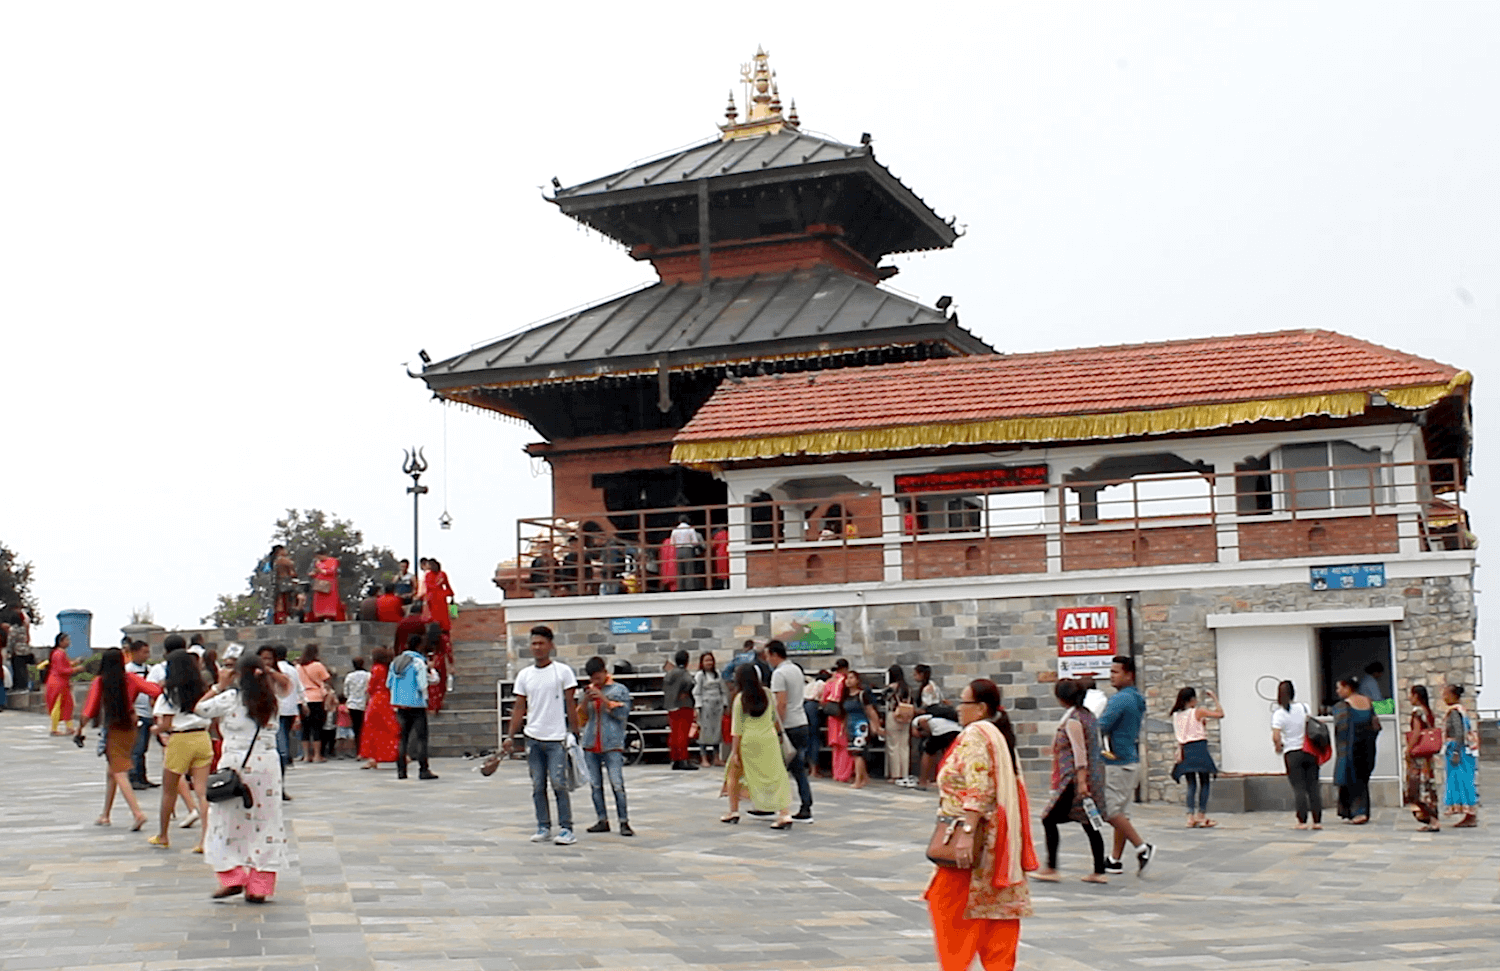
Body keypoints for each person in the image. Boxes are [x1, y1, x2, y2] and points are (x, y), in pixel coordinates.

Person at [925, 679, 1035, 971]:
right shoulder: (997, 734)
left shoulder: (975, 734)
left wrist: (967, 833)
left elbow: (979, 786)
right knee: (996, 917)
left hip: (972, 844)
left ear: (981, 708)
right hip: (999, 845)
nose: (959, 709)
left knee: (949, 908)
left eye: (964, 703)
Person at [195, 653, 291, 903]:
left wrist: (219, 684)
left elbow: (200, 709)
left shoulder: (230, 698)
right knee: (266, 822)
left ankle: (233, 876)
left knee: (224, 822)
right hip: (267, 766)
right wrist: (268, 672)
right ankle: (260, 885)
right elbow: (288, 686)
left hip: (236, 764)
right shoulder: (272, 700)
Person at [502, 626, 580, 845]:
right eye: (534, 643)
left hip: (556, 738)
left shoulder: (563, 672)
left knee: (558, 783)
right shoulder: (524, 675)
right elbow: (519, 707)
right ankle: (543, 826)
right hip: (533, 738)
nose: (537, 647)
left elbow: (570, 704)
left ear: (551, 645)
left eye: (541, 643)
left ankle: (566, 827)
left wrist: (575, 732)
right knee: (537, 785)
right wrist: (510, 736)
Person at [76, 647, 163, 830]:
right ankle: (105, 814)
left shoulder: (100, 681)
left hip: (113, 728)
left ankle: (137, 813)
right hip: (130, 728)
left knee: (119, 771)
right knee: (112, 771)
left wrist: (79, 729)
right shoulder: (130, 679)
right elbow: (155, 690)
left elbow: (89, 710)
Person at [1034, 678, 1108, 884]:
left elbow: (1079, 752)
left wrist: (1082, 782)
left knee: (1048, 818)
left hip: (1074, 779)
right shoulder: (1089, 716)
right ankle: (1099, 870)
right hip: (1091, 775)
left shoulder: (1074, 720)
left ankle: (1052, 867)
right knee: (1089, 823)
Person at [149, 649, 213, 851]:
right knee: (202, 792)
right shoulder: (203, 689)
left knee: (169, 791)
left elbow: (166, 723)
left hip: (180, 740)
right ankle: (205, 839)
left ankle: (163, 835)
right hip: (203, 737)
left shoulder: (169, 693)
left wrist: (155, 729)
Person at [720, 663, 793, 829]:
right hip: (769, 739)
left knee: (733, 773)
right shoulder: (767, 693)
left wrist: (735, 752)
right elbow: (774, 718)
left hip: (749, 741)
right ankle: (784, 813)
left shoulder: (740, 699)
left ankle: (733, 811)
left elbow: (737, 729)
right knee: (777, 776)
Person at [1098, 656, 1154, 873]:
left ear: (1129, 674)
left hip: (1117, 762)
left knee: (1110, 811)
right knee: (1122, 812)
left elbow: (1102, 726)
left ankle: (1142, 847)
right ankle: (1114, 859)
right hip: (1130, 760)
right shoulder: (1136, 698)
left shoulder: (1120, 699)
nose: (1111, 675)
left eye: (1115, 672)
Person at [580, 656, 633, 837]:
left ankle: (624, 821)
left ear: (604, 672)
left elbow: (623, 713)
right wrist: (585, 702)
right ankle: (602, 819)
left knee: (617, 783)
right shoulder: (587, 691)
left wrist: (604, 699)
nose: (595, 681)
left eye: (597, 677)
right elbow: (582, 719)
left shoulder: (619, 690)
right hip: (590, 742)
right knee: (595, 785)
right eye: (592, 678)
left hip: (612, 743)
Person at [768, 640, 813, 822]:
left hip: (788, 726)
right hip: (802, 721)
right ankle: (805, 804)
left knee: (777, 768)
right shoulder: (796, 669)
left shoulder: (779, 674)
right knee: (798, 768)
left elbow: (781, 703)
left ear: (774, 654)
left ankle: (773, 805)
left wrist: (776, 726)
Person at [1271, 680, 1323, 830]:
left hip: (1292, 753)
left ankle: (1302, 820)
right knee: (1313, 786)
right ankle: (1317, 820)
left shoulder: (1279, 714)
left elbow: (1276, 736)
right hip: (1309, 750)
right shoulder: (1304, 707)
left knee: (1299, 787)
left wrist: (1278, 746)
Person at [1170, 686, 1224, 827]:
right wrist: (1214, 697)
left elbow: (1180, 735)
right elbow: (1220, 714)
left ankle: (1190, 816)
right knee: (1204, 782)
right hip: (1199, 747)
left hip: (1185, 749)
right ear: (1192, 699)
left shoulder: (1176, 715)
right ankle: (1201, 814)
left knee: (1191, 784)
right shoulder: (1197, 712)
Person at [388, 633, 439, 780]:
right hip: (416, 704)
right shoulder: (418, 662)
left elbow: (389, 683)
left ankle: (401, 770)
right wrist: (431, 670)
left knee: (402, 738)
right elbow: (425, 683)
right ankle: (423, 769)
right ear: (419, 646)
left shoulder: (395, 662)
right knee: (421, 737)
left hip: (399, 703)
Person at [259, 645, 306, 801]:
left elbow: (288, 685)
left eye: (269, 659)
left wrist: (270, 672)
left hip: (279, 716)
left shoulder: (279, 674)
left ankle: (279, 787)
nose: (266, 662)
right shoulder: (252, 676)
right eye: (263, 658)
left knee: (282, 753)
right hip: (260, 720)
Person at [1332, 678, 1379, 824]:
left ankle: (1358, 812)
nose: (1337, 691)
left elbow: (1340, 729)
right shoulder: (1369, 702)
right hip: (1368, 746)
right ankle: (1356, 811)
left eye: (1339, 688)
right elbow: (1376, 725)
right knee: (1362, 779)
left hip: (1350, 747)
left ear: (1348, 687)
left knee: (1352, 779)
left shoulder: (1342, 706)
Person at [1441, 684, 1478, 828]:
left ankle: (1469, 814)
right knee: (1463, 781)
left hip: (1458, 750)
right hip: (1463, 750)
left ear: (1453, 695)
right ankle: (1469, 814)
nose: (1444, 697)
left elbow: (1459, 733)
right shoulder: (1461, 711)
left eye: (1445, 694)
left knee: (1461, 781)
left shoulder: (1455, 713)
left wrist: (1456, 752)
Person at [1404, 685, 1440, 831]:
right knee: (1428, 786)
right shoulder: (1428, 712)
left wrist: (1409, 749)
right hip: (1427, 757)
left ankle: (1429, 818)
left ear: (1416, 696)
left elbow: (1417, 732)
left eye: (1411, 695)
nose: (1409, 698)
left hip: (1419, 756)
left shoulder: (1417, 712)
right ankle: (1433, 818)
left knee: (1417, 787)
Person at [842, 669, 885, 789]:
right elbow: (845, 713)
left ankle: (858, 780)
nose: (848, 681)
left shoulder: (862, 695)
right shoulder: (845, 695)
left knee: (858, 753)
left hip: (860, 726)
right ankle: (864, 777)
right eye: (847, 678)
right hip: (850, 724)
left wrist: (876, 726)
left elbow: (870, 711)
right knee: (854, 751)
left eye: (851, 678)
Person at [125, 640, 159, 790]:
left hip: (148, 712)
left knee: (143, 748)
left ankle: (142, 777)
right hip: (136, 712)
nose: (147, 655)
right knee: (136, 748)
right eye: (144, 652)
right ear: (135, 652)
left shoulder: (150, 670)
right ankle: (133, 777)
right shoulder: (127, 670)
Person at [359, 647, 400, 770]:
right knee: (389, 726)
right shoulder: (388, 668)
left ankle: (372, 758)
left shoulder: (376, 668)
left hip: (377, 699)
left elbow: (371, 686)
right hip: (387, 698)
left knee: (371, 728)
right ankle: (399, 753)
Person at [662, 649, 698, 770]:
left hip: (671, 706)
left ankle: (675, 759)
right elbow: (690, 683)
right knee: (683, 734)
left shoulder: (669, 673)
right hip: (684, 705)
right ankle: (683, 759)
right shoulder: (684, 673)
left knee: (674, 733)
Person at [296, 644, 332, 763]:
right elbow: (326, 679)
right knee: (317, 727)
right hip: (316, 698)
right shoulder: (318, 665)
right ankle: (317, 755)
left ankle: (306, 755)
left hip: (302, 699)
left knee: (305, 728)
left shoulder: (299, 667)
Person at [915, 707, 963, 790]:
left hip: (941, 731)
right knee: (948, 755)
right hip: (957, 730)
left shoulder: (916, 721)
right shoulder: (937, 718)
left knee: (928, 752)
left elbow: (923, 721)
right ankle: (941, 780)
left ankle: (922, 782)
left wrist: (928, 731)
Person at [693, 652, 727, 767]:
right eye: (706, 660)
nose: (709, 663)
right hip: (705, 706)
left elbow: (723, 690)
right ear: (702, 663)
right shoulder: (700, 675)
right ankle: (704, 758)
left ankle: (716, 757)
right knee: (704, 732)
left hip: (717, 706)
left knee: (717, 732)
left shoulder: (717, 674)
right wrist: (698, 708)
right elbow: (696, 692)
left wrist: (724, 704)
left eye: (711, 660)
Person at [822, 658, 852, 782]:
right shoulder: (847, 681)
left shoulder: (830, 681)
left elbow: (823, 699)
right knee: (845, 745)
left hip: (832, 716)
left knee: (836, 748)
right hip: (844, 715)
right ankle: (844, 774)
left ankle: (836, 774)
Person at [884, 664, 914, 786]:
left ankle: (896, 774)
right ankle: (905, 773)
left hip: (894, 715)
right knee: (904, 746)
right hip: (906, 715)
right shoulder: (907, 688)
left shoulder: (891, 688)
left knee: (893, 745)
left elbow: (884, 698)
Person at [45, 632, 79, 734]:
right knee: (58, 705)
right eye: (66, 640)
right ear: (61, 642)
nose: (68, 642)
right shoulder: (59, 653)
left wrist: (74, 664)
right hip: (58, 683)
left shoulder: (58, 653)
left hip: (61, 683)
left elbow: (64, 666)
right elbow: (61, 670)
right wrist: (76, 669)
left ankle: (69, 727)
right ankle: (54, 728)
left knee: (68, 704)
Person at [343, 656, 371, 754]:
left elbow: (346, 692)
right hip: (365, 704)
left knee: (356, 727)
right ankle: (366, 749)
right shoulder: (368, 675)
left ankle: (358, 751)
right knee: (366, 727)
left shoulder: (349, 676)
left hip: (353, 704)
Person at [670, 517, 705, 591]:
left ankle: (680, 588)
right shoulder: (690, 530)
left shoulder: (675, 530)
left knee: (680, 571)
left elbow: (672, 543)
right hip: (688, 550)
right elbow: (694, 542)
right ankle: (690, 588)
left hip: (678, 550)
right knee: (689, 570)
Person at [307, 550, 340, 622]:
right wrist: (313, 573)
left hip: (329, 583)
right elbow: (316, 572)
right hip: (319, 584)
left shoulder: (332, 561)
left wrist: (321, 570)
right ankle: (319, 616)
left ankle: (329, 616)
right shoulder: (317, 562)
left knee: (329, 601)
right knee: (318, 601)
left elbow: (332, 571)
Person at [271, 546, 298, 625]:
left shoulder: (274, 561)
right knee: (287, 603)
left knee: (279, 602)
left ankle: (281, 619)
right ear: (280, 551)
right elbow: (292, 573)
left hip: (278, 584)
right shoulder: (284, 561)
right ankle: (286, 619)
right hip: (286, 584)